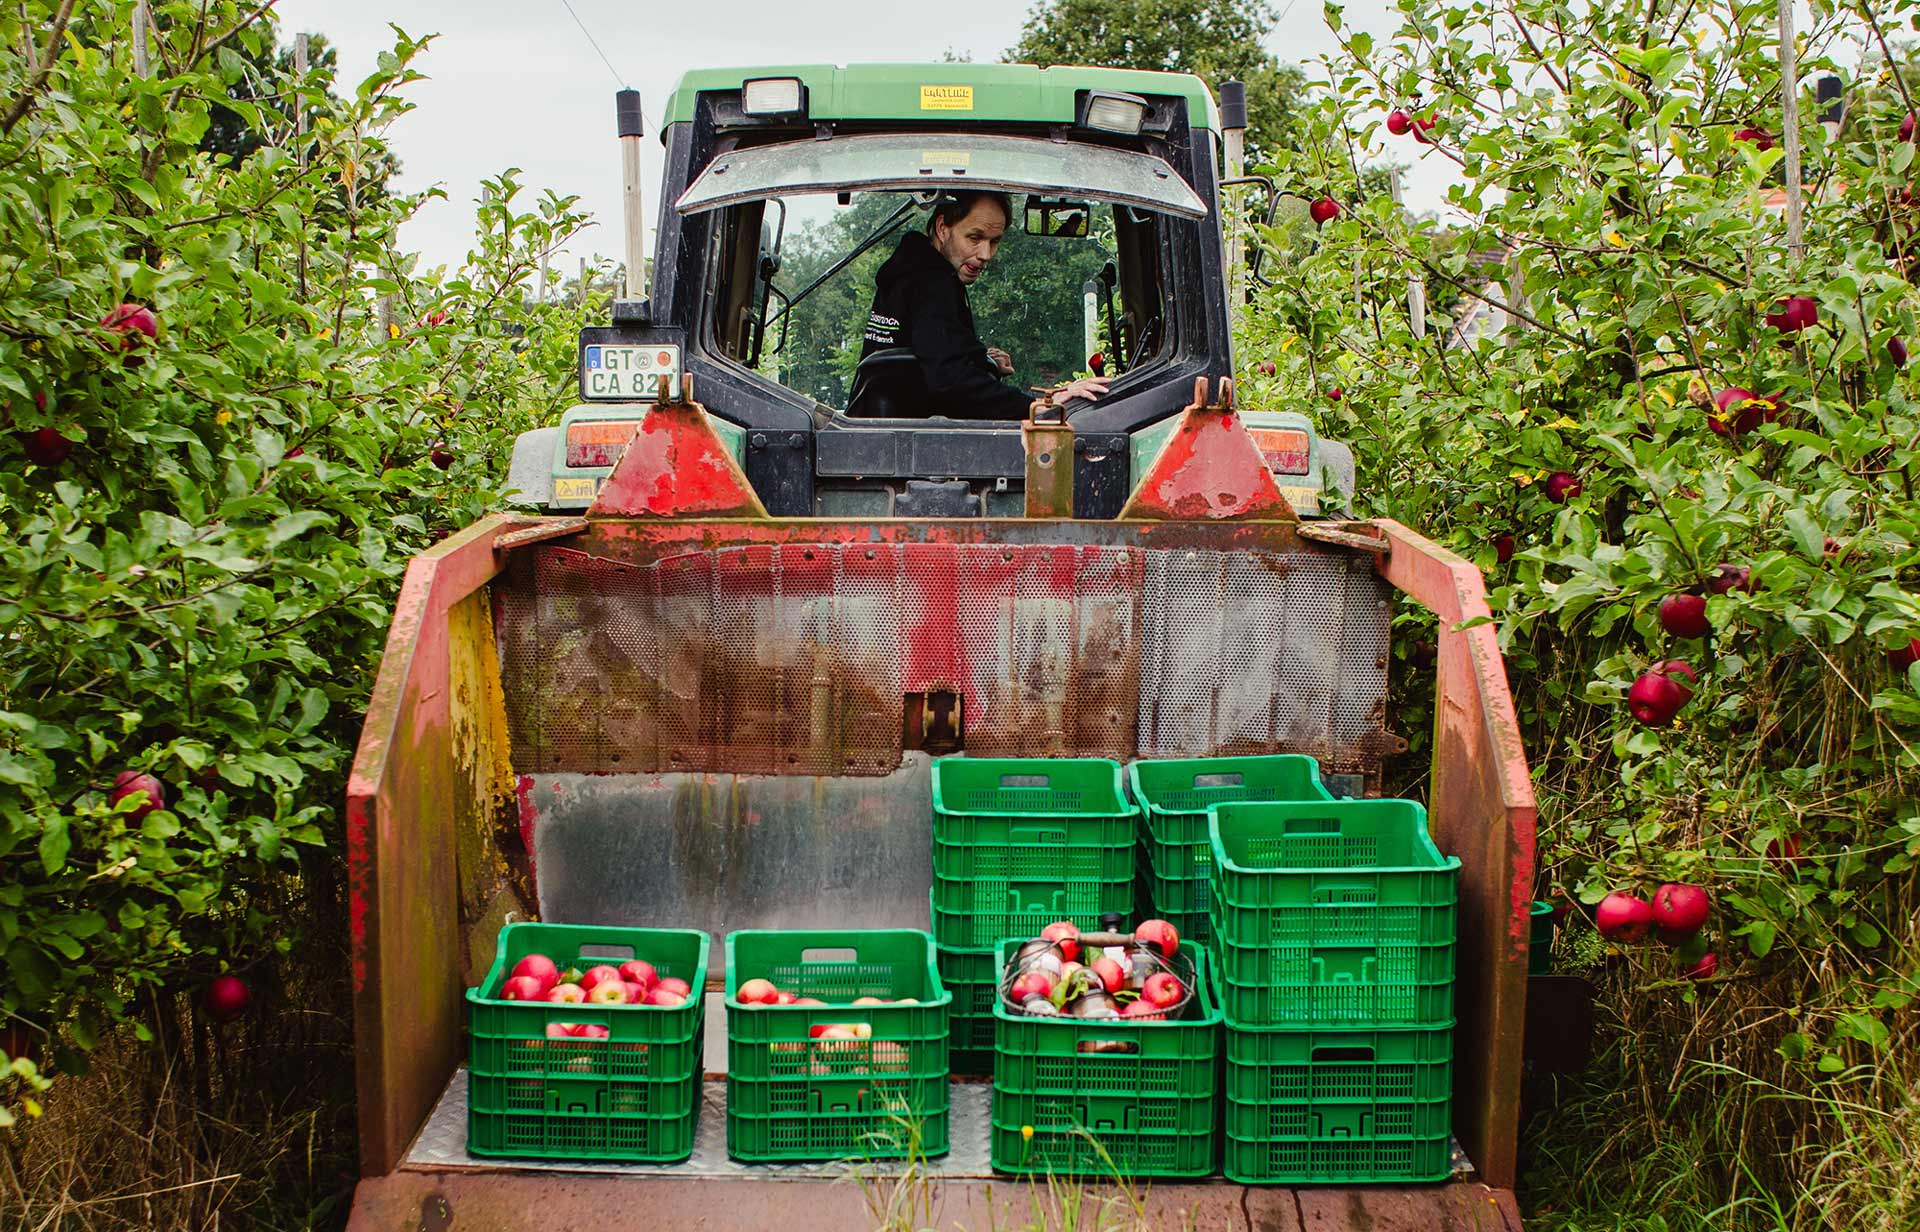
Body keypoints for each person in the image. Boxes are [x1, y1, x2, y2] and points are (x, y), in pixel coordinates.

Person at [849, 191, 1109, 419]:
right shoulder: (932, 283)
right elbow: (949, 380)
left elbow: (928, 353)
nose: (986, 255)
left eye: (994, 241)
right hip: (921, 442)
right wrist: (1037, 405)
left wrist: (980, 359)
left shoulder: (906, 272)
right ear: (942, 228)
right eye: (975, 238)